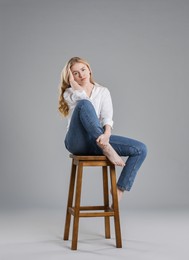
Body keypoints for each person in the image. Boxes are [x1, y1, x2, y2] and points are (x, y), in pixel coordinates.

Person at [58, 56, 147, 203]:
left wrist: (106, 135)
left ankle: (119, 189)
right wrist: (74, 85)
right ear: (70, 77)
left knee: (141, 149)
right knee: (84, 105)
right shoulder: (70, 93)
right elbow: (84, 102)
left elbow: (107, 118)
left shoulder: (103, 92)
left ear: (89, 69)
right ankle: (107, 148)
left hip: (97, 140)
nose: (81, 74)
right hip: (76, 142)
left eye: (83, 69)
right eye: (75, 73)